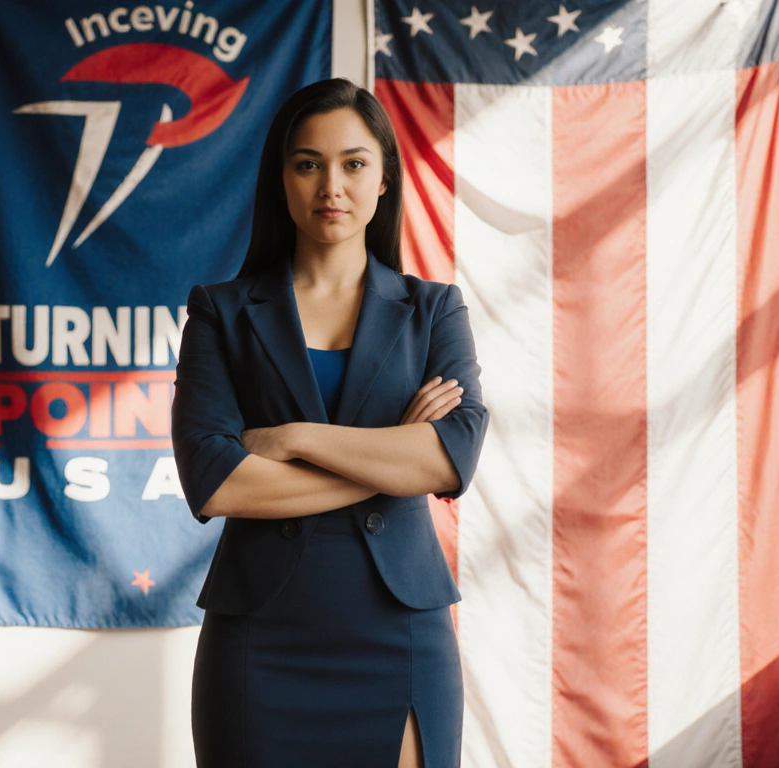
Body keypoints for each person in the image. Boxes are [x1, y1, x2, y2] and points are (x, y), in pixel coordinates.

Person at [170, 77, 490, 768]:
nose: (330, 186)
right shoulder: (220, 313)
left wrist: (296, 439)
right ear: (280, 180)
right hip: (260, 639)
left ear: (383, 180)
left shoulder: (433, 309)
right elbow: (216, 479)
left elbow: (449, 458)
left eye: (354, 163)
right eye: (307, 163)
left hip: (400, 633)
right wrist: (388, 458)